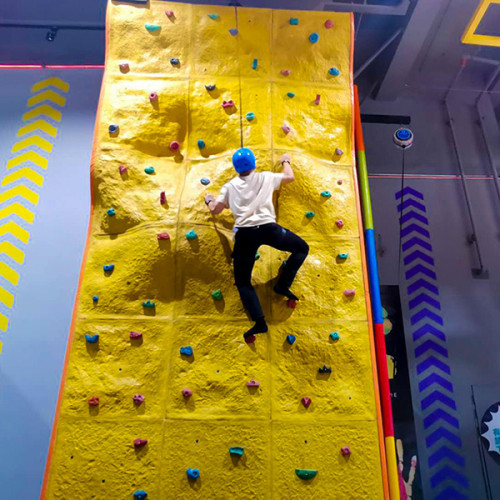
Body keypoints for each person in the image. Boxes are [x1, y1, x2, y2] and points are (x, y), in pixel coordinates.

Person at [204, 148, 309, 343]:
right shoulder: (265, 177)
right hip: (269, 230)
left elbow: (215, 210)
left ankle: (259, 321)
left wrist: (209, 199)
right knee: (302, 248)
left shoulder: (229, 187)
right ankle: (282, 285)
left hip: (245, 235)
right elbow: (289, 177)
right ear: (253, 164)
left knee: (243, 282)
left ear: (236, 167)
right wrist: (285, 161)